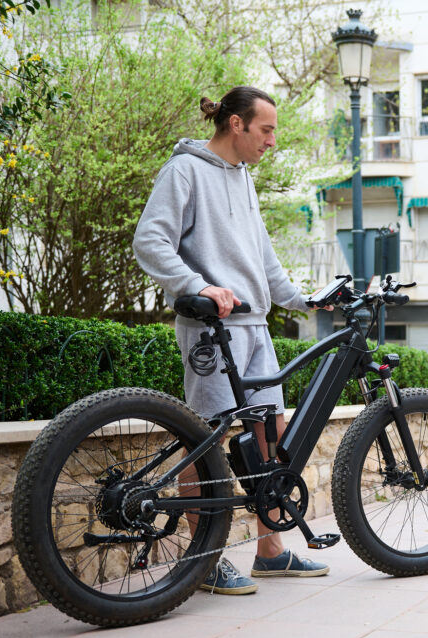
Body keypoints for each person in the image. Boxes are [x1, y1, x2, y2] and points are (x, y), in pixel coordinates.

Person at [133, 86, 328, 595]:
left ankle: (271, 552)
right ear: (236, 124)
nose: (272, 142)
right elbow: (149, 240)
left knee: (272, 439)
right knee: (207, 444)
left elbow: (262, 260)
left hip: (256, 327)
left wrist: (306, 301)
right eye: (266, 130)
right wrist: (197, 286)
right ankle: (203, 561)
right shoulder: (184, 170)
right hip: (212, 329)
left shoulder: (243, 179)